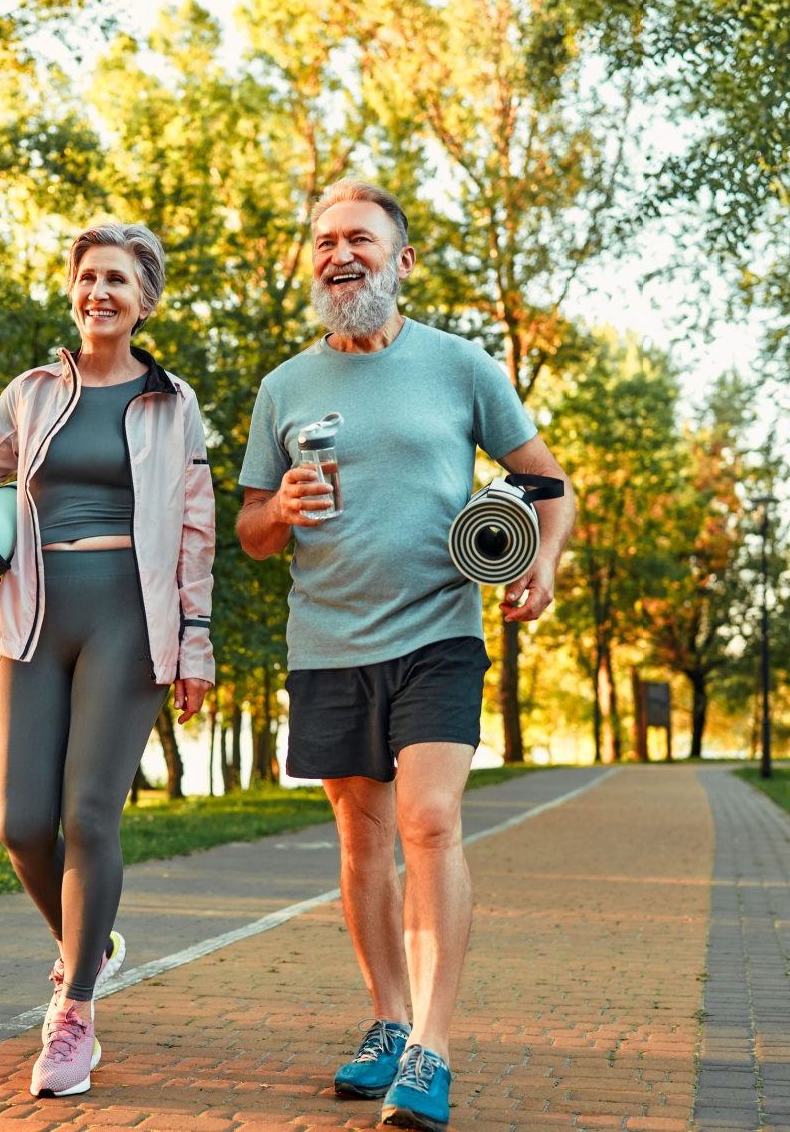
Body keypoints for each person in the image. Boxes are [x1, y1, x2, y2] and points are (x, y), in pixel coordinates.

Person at [237, 179, 575, 1131]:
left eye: (360, 239)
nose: (339, 253)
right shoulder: (283, 387)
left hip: (439, 631)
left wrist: (541, 561)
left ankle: (432, 1045)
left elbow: (548, 484)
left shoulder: (461, 366)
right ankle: (386, 1018)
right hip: (328, 640)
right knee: (362, 839)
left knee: (427, 823)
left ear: (402, 260)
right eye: (323, 241)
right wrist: (277, 512)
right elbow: (252, 531)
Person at [0, 222, 215, 1099]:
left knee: (90, 817)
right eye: (89, 277)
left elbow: (198, 527)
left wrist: (196, 640)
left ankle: (76, 1012)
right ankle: (89, 940)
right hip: (32, 617)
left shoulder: (173, 402)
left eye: (118, 281)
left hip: (130, 620)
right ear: (72, 291)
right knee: (20, 824)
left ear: (145, 300)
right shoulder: (29, 393)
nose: (101, 292)